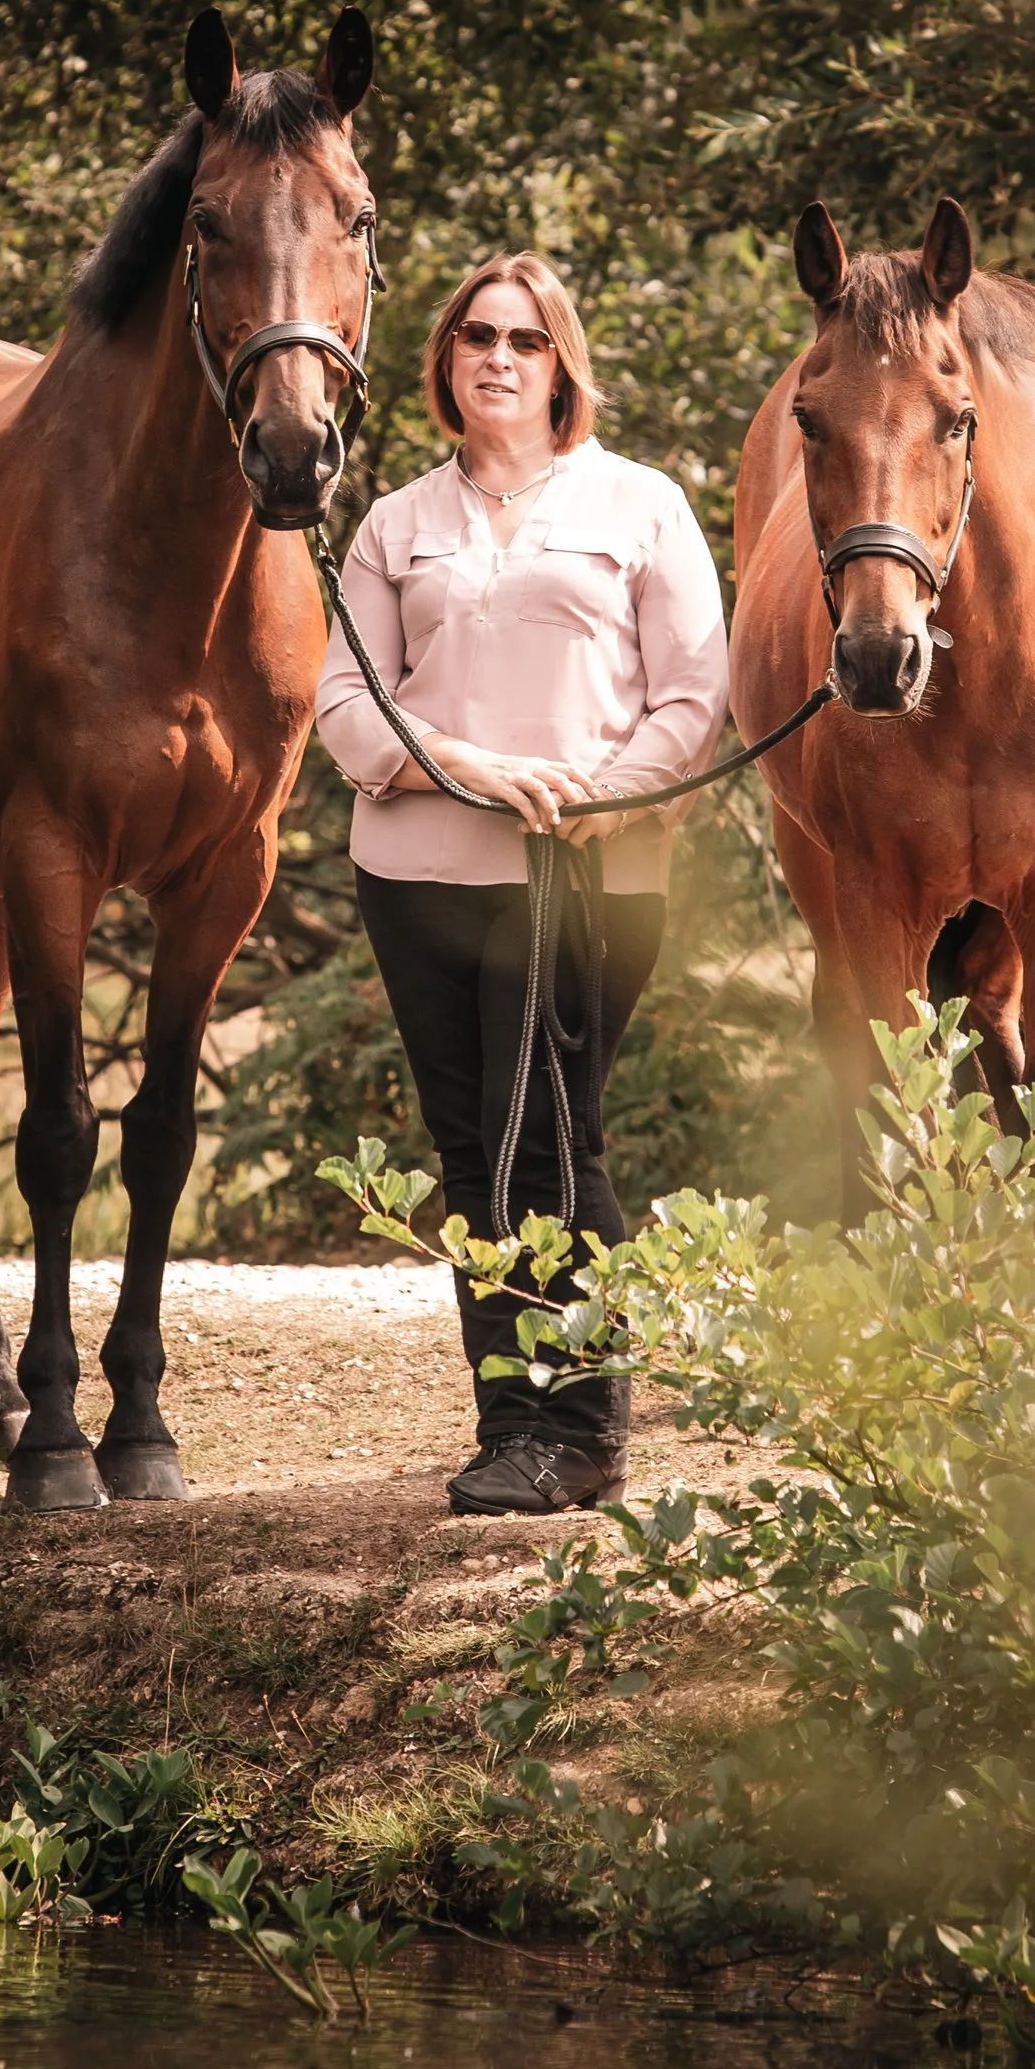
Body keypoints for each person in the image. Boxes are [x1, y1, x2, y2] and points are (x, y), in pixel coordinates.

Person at [314, 253, 729, 1514]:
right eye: (476, 335)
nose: (498, 355)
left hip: (588, 878)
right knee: (466, 1143)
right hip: (418, 872)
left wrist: (607, 793)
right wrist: (468, 766)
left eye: (527, 340)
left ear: (562, 366)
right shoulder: (393, 522)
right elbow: (345, 704)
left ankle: (585, 1427)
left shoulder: (642, 504)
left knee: (549, 1129)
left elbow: (693, 694)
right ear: (443, 360)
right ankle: (511, 1426)